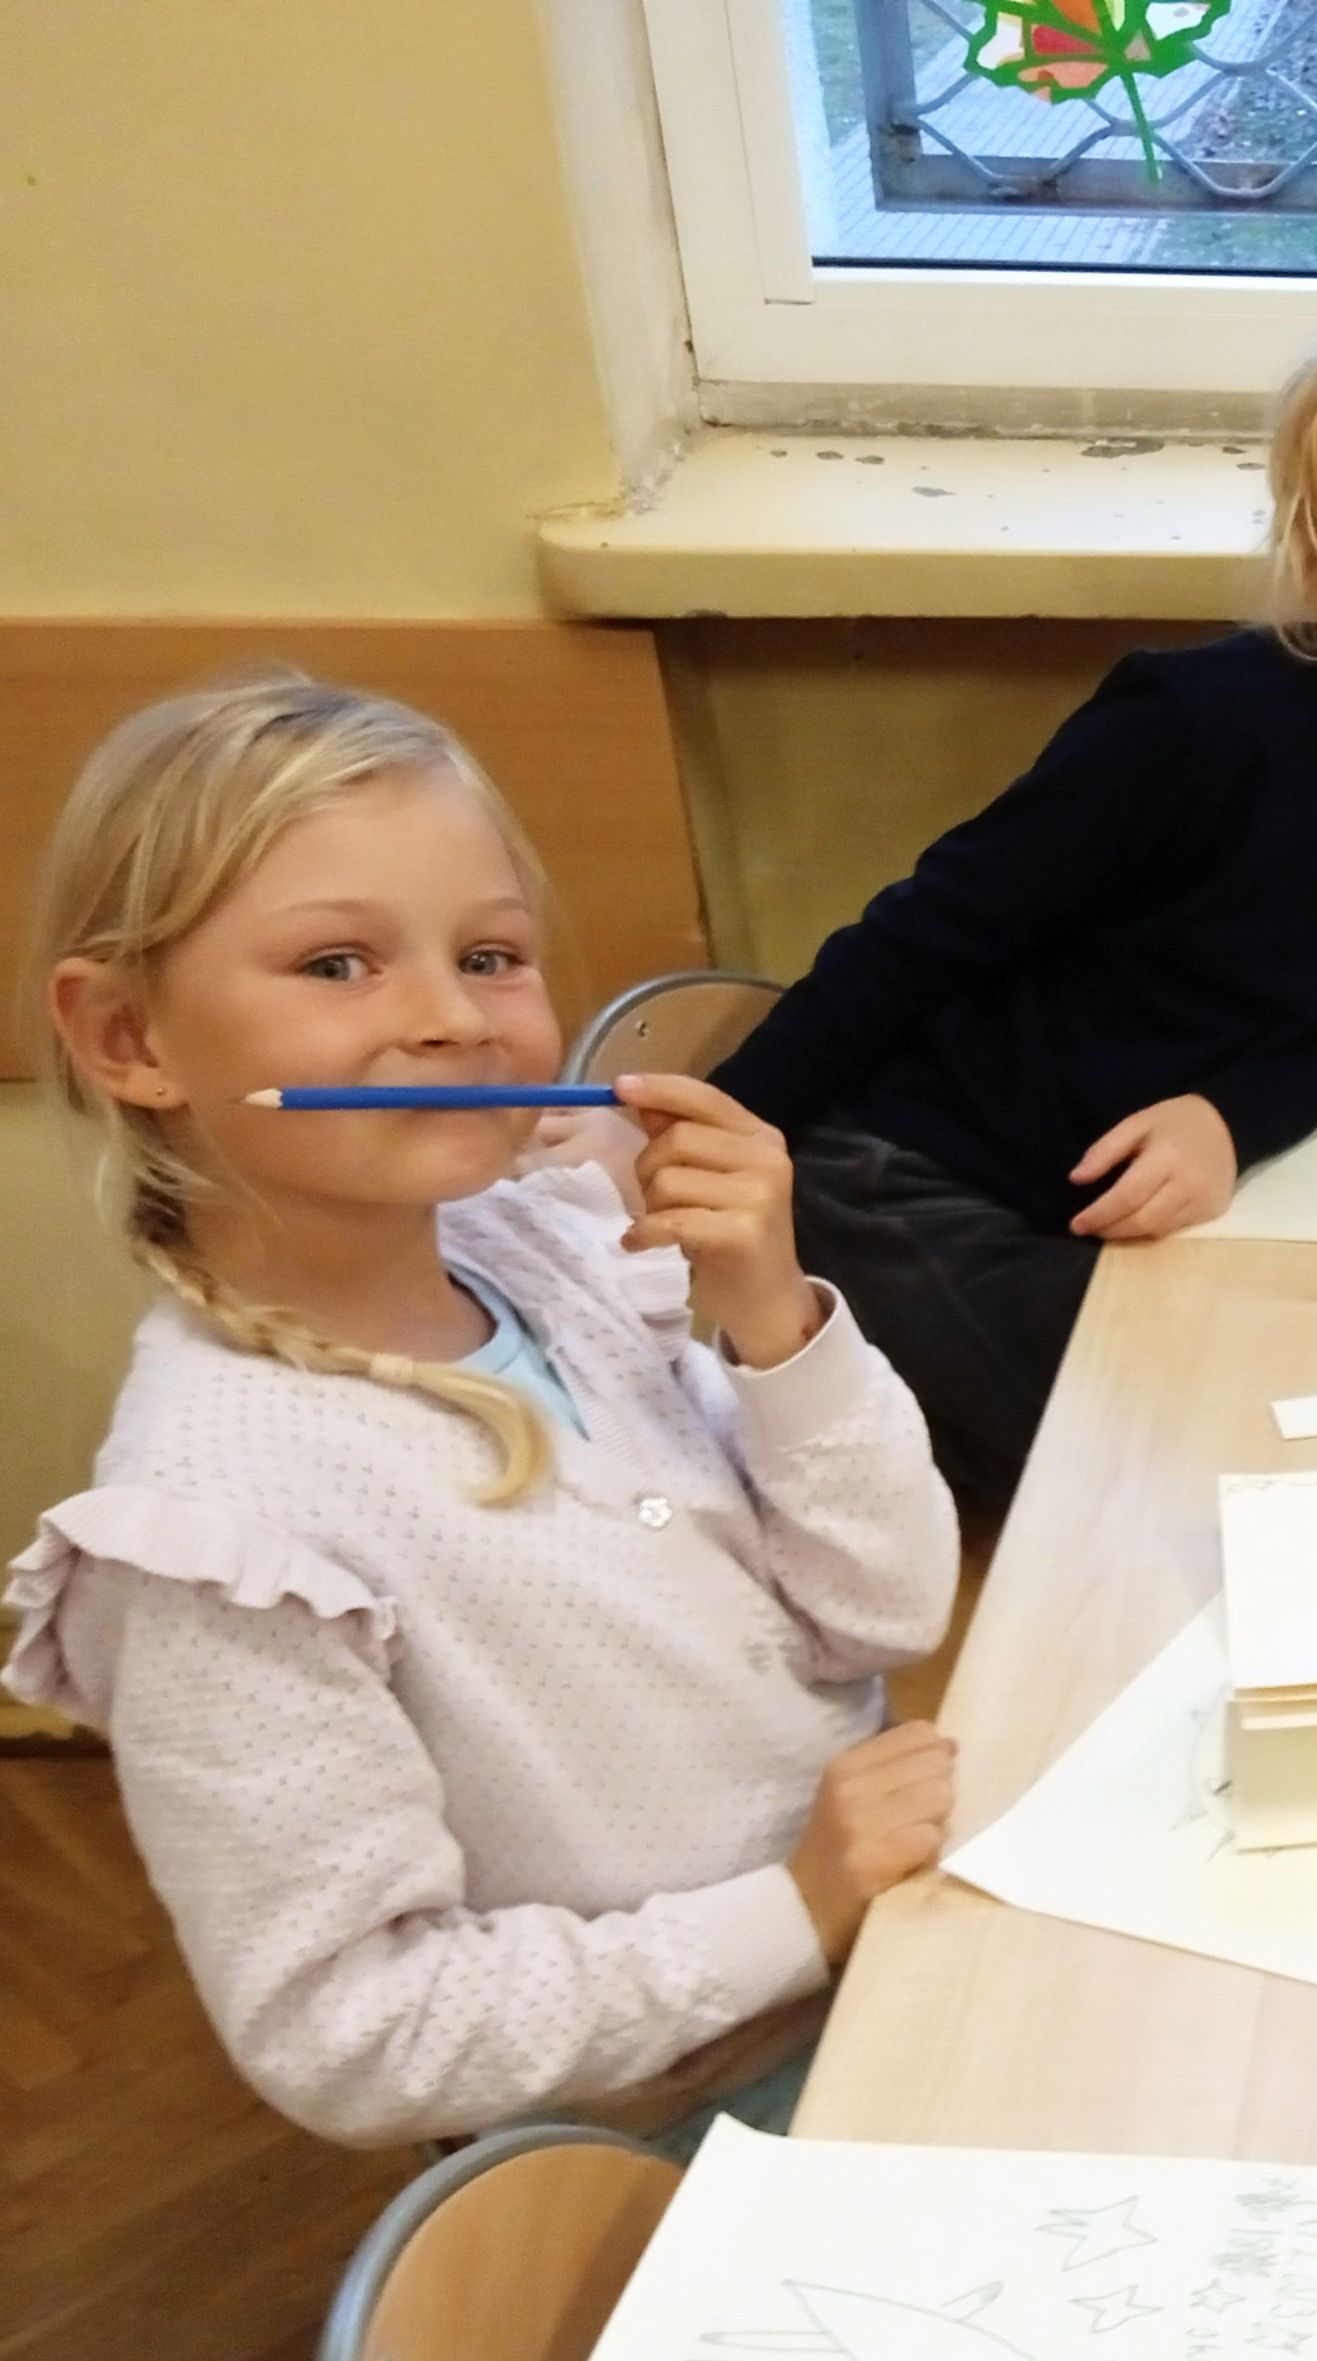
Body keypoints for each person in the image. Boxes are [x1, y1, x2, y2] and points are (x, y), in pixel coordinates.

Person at [5, 677, 959, 2149]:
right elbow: (355, 2033)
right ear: (130, 1037)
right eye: (338, 963)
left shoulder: (557, 1249)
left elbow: (885, 1608)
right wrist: (793, 1907)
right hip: (693, 2117)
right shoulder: (212, 1526)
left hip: (898, 1945)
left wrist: (777, 1319)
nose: (451, 1018)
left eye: (492, 956)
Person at [713, 310, 1317, 1513]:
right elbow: (923, 934)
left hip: (1128, 1207)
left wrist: (1232, 1121)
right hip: (907, 1172)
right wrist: (711, 1127)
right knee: (1170, 1473)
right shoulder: (1192, 728)